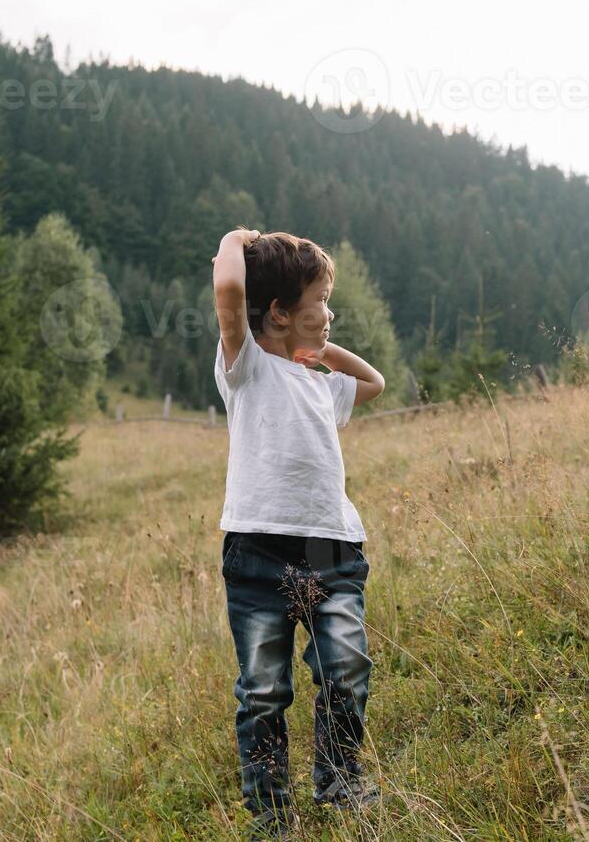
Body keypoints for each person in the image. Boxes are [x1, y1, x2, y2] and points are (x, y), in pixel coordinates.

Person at [210, 227, 387, 839]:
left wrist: (322, 353)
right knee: (264, 690)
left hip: (333, 549)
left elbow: (373, 383)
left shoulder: (317, 381)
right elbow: (231, 288)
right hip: (257, 554)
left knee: (347, 668)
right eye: (321, 300)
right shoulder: (246, 367)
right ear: (281, 312)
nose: (331, 312)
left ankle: (339, 784)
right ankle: (272, 816)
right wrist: (234, 239)